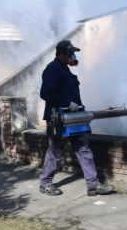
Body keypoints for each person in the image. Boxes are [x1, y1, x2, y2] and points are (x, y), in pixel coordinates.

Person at [38, 39, 115, 197]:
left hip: (74, 118)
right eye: (70, 52)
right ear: (62, 53)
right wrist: (67, 103)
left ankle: (93, 186)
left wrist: (78, 109)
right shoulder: (52, 69)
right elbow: (45, 93)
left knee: (83, 149)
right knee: (55, 150)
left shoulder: (65, 70)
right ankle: (45, 183)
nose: (72, 55)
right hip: (58, 118)